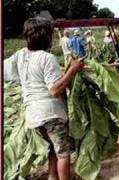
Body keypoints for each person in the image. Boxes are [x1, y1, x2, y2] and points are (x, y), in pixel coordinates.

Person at [4, 17, 84, 180]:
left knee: (52, 148)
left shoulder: (20, 55)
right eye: (51, 35)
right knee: (63, 152)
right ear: (46, 37)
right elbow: (55, 90)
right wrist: (73, 70)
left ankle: (52, 176)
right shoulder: (48, 58)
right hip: (51, 114)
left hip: (32, 115)